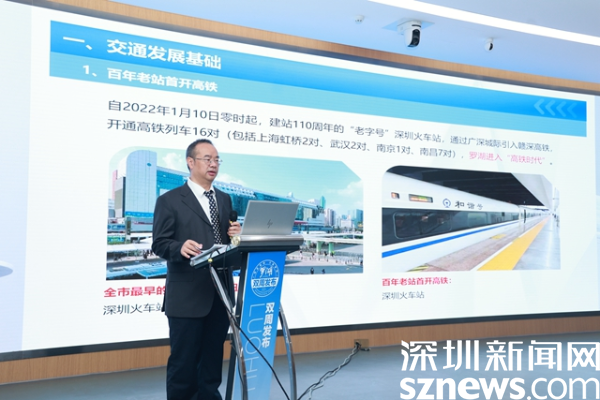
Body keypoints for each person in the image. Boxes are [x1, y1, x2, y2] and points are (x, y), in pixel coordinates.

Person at [152, 139, 241, 400]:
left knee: (212, 363)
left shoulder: (224, 199)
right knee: (184, 365)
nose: (213, 164)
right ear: (190, 162)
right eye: (207, 159)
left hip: (220, 293)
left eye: (216, 159)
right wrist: (179, 247)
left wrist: (236, 236)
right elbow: (159, 243)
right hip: (187, 296)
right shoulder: (169, 200)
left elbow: (224, 243)